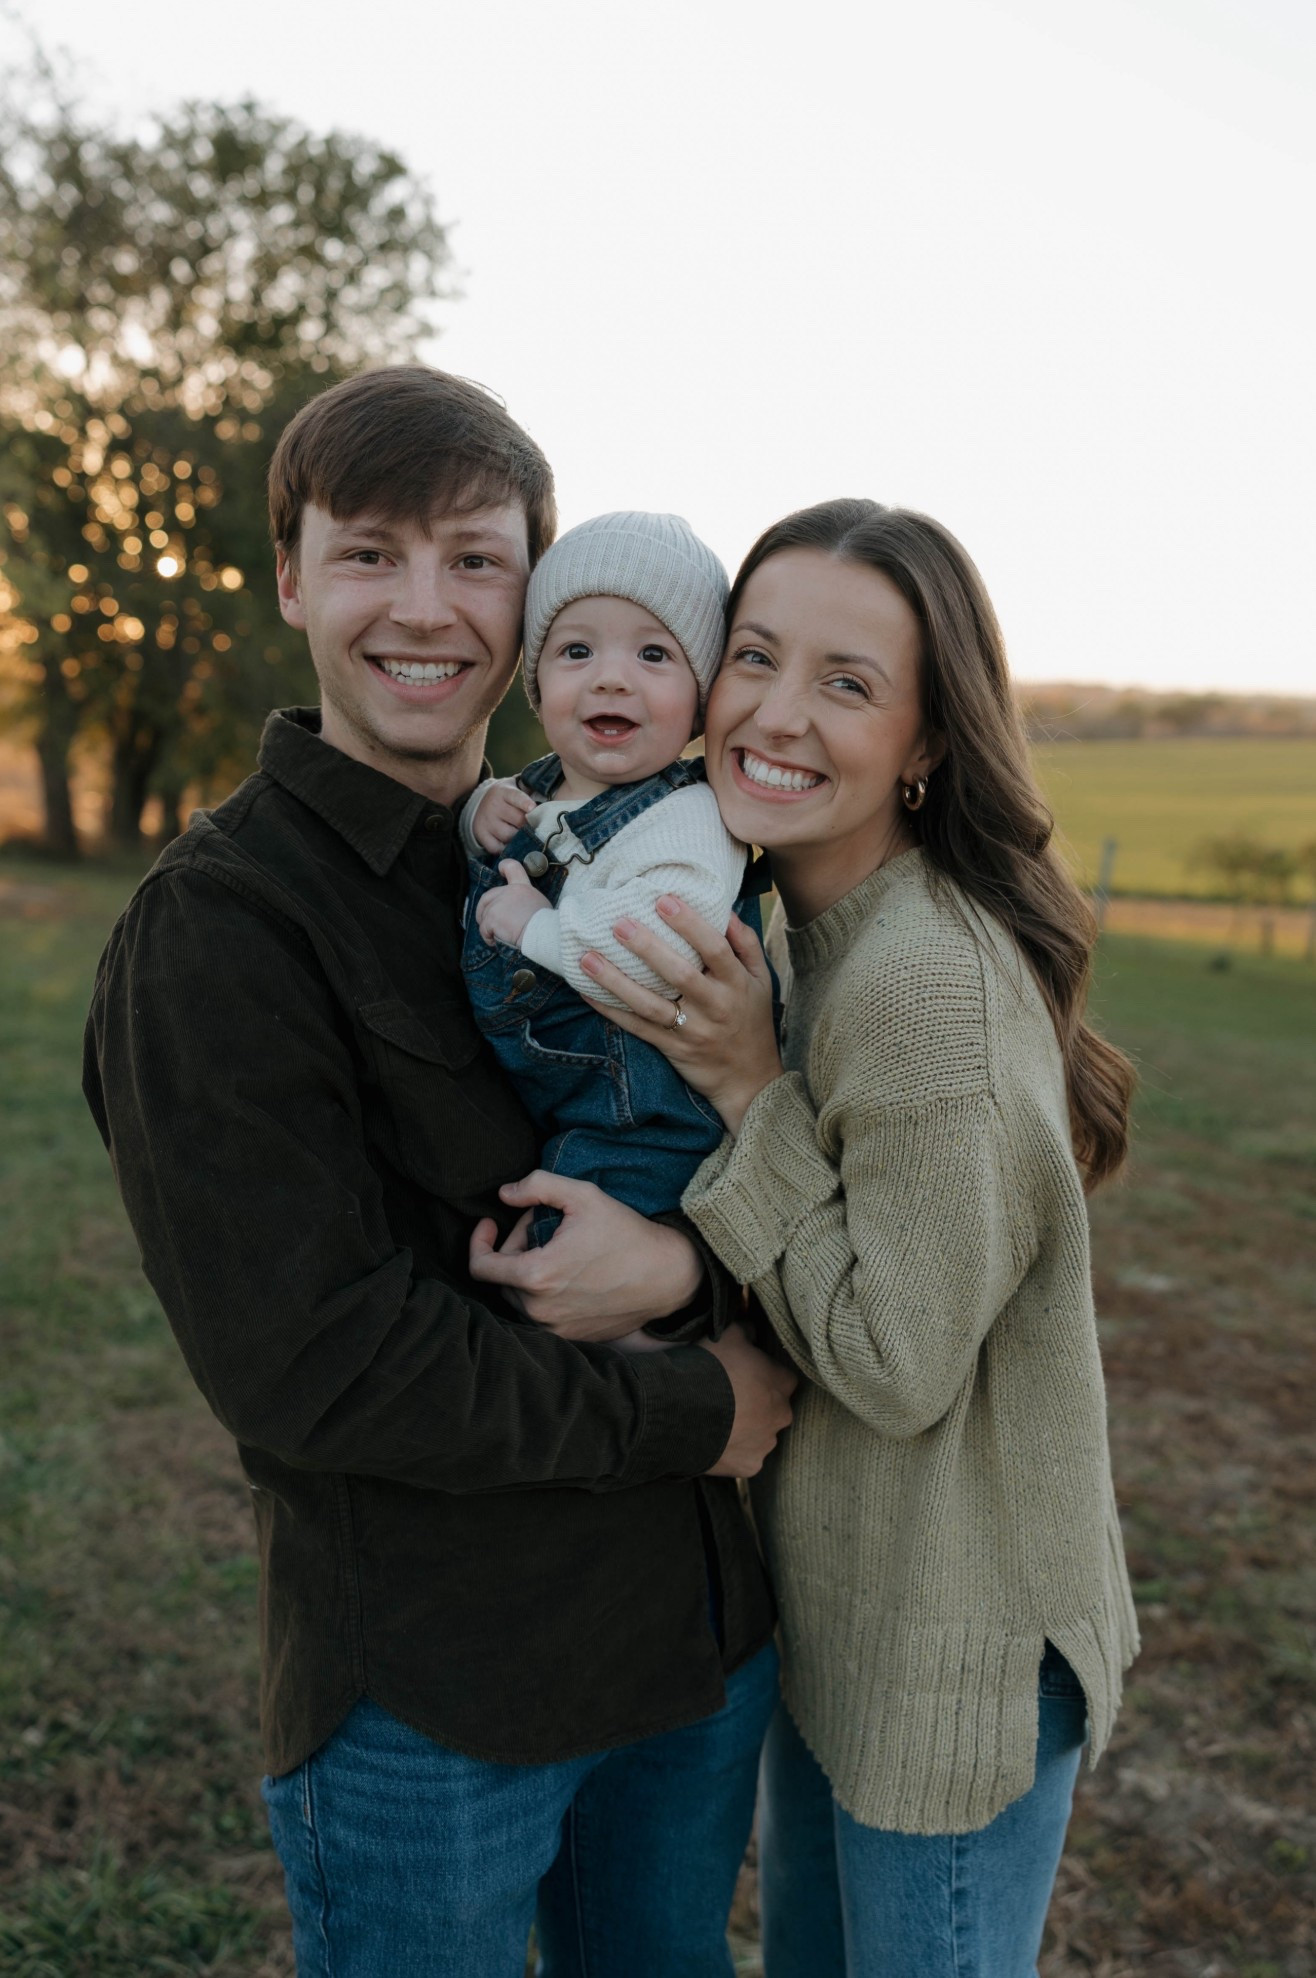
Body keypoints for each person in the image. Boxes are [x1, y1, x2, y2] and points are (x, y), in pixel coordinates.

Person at [81, 366, 796, 1978]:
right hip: (440, 1697)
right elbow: (313, 1368)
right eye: (371, 553)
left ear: (534, 597)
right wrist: (698, 1403)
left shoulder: (635, 851)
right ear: (290, 579)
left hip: (691, 1646)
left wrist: (688, 1276)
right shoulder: (220, 928)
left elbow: (771, 1151)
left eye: (475, 558)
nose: (429, 607)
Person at [524, 498, 1141, 1976]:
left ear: (928, 744)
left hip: (954, 1653)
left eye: (848, 683)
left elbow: (892, 1358)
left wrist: (748, 1086)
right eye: (754, 657)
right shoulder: (803, 920)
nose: (775, 714)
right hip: (854, 1623)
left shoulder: (921, 985)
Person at [461, 510, 765, 1266]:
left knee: (581, 1269)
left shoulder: (691, 819)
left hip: (644, 1128)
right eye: (576, 649)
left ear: (700, 699)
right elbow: (534, 837)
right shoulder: (538, 790)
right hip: (561, 1106)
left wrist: (536, 927)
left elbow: (652, 945)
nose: (611, 675)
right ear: (537, 684)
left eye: (654, 654)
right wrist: (477, 814)